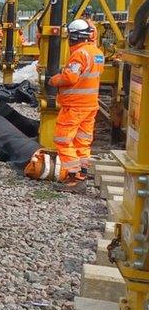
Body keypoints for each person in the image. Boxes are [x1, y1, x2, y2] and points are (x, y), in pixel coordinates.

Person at [49, 19, 105, 190]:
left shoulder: (79, 54)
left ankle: (73, 176)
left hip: (75, 106)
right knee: (83, 141)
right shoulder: (97, 53)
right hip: (90, 105)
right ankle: (82, 172)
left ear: (73, 36)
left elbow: (70, 77)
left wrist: (54, 80)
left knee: (63, 139)